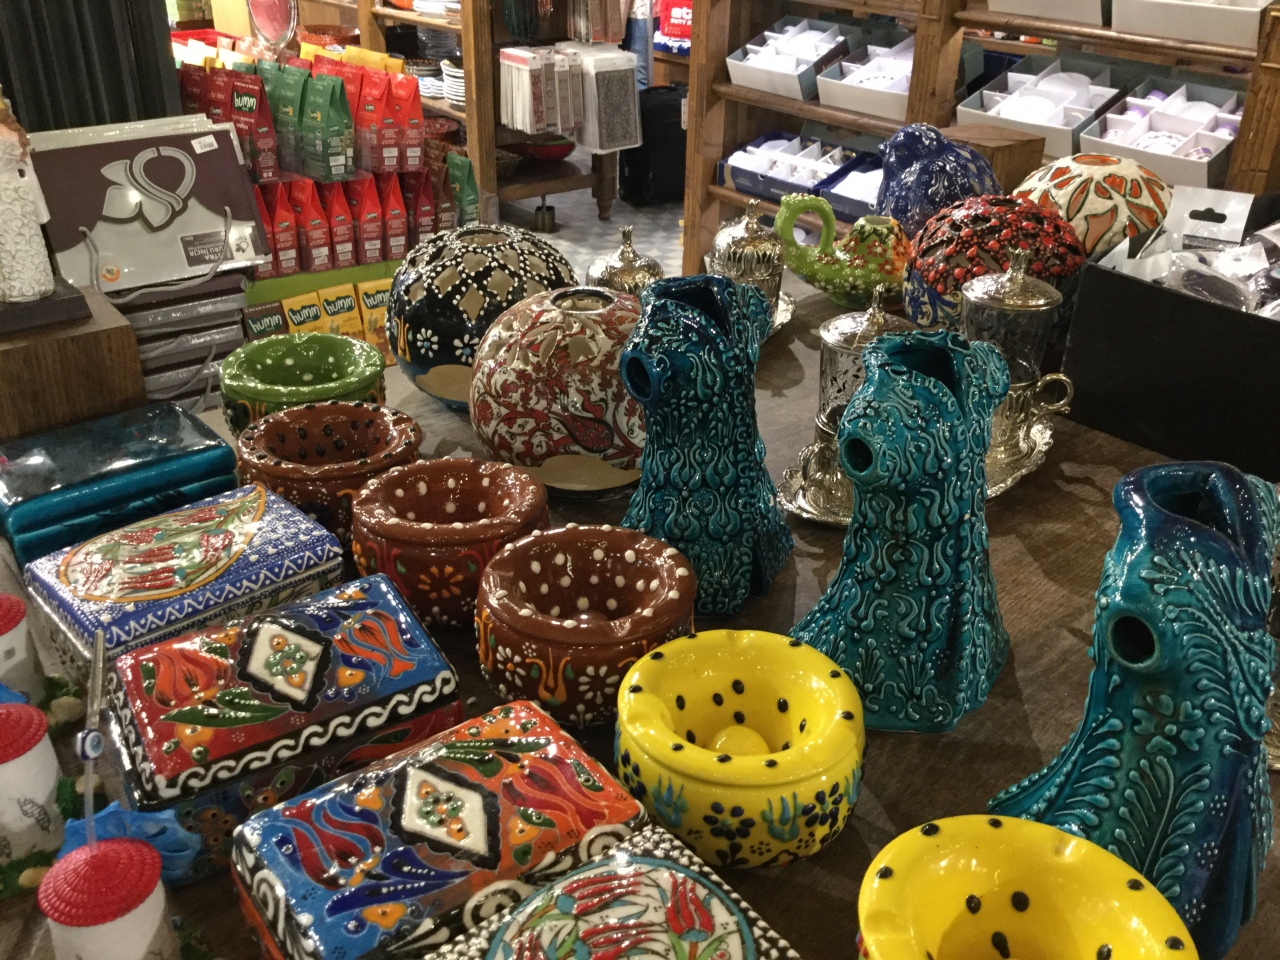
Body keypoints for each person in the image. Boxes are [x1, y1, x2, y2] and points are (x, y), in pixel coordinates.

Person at [621, 0, 653, 90]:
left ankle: (641, 97)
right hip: (619, 12)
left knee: (639, 72)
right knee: (619, 67)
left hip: (640, 11)